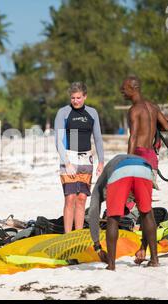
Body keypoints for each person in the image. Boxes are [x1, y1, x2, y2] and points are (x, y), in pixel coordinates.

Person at [89, 154, 159, 271]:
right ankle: (154, 259)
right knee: (146, 213)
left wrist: (97, 247)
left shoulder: (102, 184)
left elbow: (93, 209)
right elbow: (146, 217)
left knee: (113, 217)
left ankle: (111, 265)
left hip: (121, 170)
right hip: (144, 167)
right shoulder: (106, 180)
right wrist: (143, 247)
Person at [54, 82, 104, 233]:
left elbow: (98, 138)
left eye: (78, 98)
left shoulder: (92, 113)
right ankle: (68, 235)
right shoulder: (63, 112)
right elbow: (58, 140)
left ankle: (78, 233)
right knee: (70, 198)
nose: (75, 101)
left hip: (86, 159)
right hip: (68, 158)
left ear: (85, 97)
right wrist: (66, 162)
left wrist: (101, 161)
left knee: (82, 198)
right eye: (73, 98)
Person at [120, 76, 168, 188]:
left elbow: (133, 137)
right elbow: (167, 127)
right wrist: (152, 127)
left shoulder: (134, 110)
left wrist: (128, 161)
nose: (121, 90)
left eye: (124, 88)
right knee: (146, 197)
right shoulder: (153, 107)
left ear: (133, 88)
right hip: (151, 156)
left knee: (131, 196)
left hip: (139, 154)